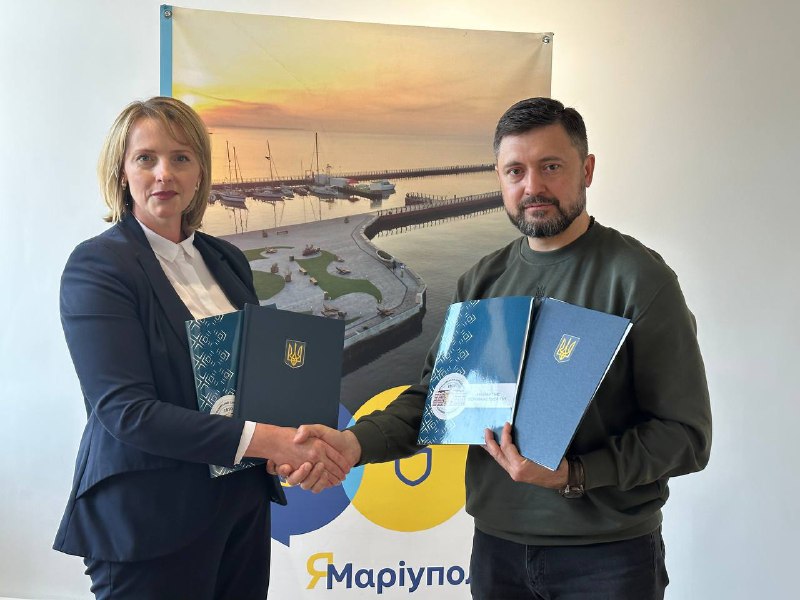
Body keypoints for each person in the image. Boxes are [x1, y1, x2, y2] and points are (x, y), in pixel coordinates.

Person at [282, 97, 712, 599]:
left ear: (587, 170)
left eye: (551, 166)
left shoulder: (639, 279)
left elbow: (686, 435)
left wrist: (575, 475)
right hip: (498, 551)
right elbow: (438, 401)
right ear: (500, 179)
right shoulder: (482, 281)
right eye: (515, 171)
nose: (533, 187)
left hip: (608, 557)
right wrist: (354, 444)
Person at [54, 96, 349, 600]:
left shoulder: (227, 259)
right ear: (122, 172)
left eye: (181, 157)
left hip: (240, 508)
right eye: (145, 158)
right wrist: (270, 441)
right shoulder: (98, 266)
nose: (164, 173)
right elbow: (126, 412)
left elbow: (254, 379)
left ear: (199, 173)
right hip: (150, 517)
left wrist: (292, 442)